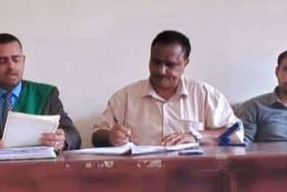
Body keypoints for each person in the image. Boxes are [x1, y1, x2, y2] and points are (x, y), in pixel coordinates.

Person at [92, 30, 241, 146]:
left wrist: (197, 136)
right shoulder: (125, 97)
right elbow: (97, 135)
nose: (161, 71)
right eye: (156, 62)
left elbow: (236, 134)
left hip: (194, 173)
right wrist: (110, 137)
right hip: (139, 173)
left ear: (185, 63)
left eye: (170, 64)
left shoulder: (204, 94)